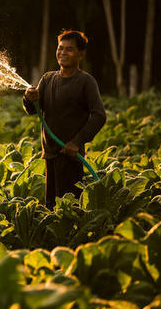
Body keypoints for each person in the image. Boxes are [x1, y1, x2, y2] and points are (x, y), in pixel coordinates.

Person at [23, 30, 106, 209]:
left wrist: (76, 142)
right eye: (60, 48)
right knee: (50, 206)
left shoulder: (86, 81)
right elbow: (32, 110)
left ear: (81, 54)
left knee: (69, 208)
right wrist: (28, 98)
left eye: (69, 49)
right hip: (50, 155)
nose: (63, 53)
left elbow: (99, 115)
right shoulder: (47, 79)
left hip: (71, 158)